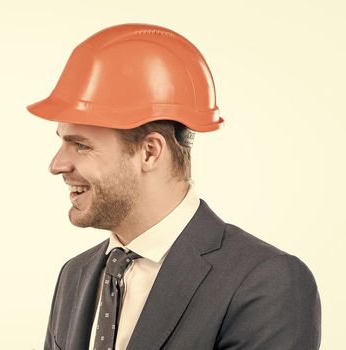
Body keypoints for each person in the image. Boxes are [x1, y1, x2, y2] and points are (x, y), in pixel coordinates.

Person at [26, 23, 321, 350]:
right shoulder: (75, 275)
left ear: (149, 152)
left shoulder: (266, 284)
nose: (57, 165)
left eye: (80, 145)